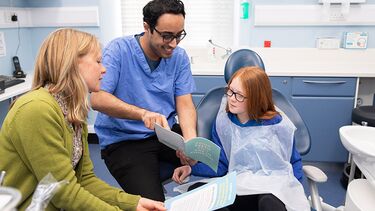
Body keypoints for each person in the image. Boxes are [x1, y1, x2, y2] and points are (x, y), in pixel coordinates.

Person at [0, 28, 166, 211]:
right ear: (71, 63)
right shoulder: (36, 109)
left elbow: (84, 180)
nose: (104, 69)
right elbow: (64, 192)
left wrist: (133, 203)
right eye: (98, 61)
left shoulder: (73, 113)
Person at [90, 0, 197, 201]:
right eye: (166, 36)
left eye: (178, 35)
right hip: (125, 141)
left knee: (217, 166)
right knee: (152, 204)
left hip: (165, 135)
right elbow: (98, 98)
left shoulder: (179, 57)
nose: (173, 44)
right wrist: (142, 114)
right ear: (147, 27)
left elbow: (185, 103)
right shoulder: (119, 51)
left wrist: (189, 141)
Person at [172, 66, 310, 211]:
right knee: (198, 192)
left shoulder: (279, 125)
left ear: (256, 98)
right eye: (230, 91)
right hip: (239, 185)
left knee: (269, 201)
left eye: (238, 95)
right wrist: (191, 168)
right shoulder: (224, 123)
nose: (231, 99)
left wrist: (294, 191)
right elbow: (221, 166)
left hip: (272, 187)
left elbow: (294, 161)